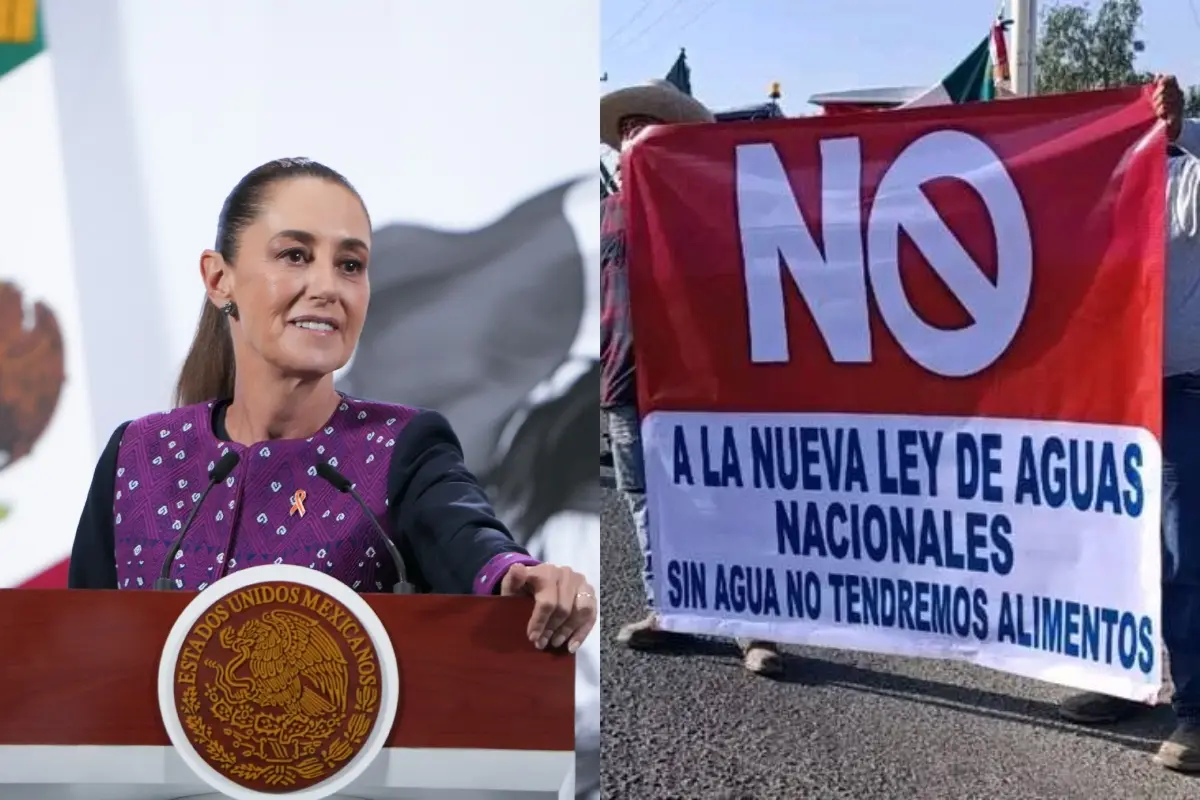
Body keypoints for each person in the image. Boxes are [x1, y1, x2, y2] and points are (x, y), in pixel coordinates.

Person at [67, 157, 597, 660]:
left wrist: (514, 572)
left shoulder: (401, 447)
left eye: (350, 265)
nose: (327, 287)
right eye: (294, 255)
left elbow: (467, 538)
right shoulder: (138, 455)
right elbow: (78, 654)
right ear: (218, 278)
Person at [600, 80, 783, 676]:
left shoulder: (707, 211)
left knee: (722, 501)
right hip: (624, 382)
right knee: (646, 502)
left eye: (644, 128)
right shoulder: (601, 215)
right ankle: (670, 611)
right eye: (625, 131)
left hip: (699, 388)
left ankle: (752, 628)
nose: (632, 139)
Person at [1053, 75, 1200, 773]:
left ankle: (1198, 709)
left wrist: (1179, 132)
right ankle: (1125, 678)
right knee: (1114, 542)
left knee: (1182, 554)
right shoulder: (1097, 192)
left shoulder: (1186, 179)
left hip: (1182, 391)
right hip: (1112, 393)